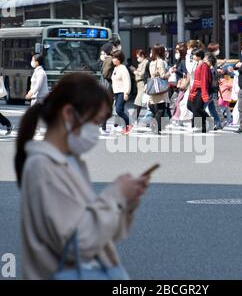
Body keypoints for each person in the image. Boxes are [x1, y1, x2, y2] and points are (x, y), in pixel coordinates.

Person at [15, 72, 150, 280]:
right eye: (95, 122)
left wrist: (126, 201)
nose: (96, 131)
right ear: (69, 114)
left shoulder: (72, 161)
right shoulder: (43, 166)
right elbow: (78, 243)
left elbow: (100, 235)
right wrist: (115, 195)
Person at [148, 44, 171, 135]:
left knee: (155, 107)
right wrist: (170, 72)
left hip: (153, 86)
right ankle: (156, 127)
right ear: (161, 52)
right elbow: (163, 75)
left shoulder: (152, 62)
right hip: (160, 87)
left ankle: (157, 126)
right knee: (161, 109)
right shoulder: (161, 61)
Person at [189, 50, 212, 133]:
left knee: (198, 108)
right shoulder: (197, 64)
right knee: (190, 105)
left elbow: (204, 79)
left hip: (201, 89)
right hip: (196, 88)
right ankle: (206, 123)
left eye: (194, 55)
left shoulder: (204, 65)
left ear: (199, 56)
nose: (193, 56)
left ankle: (206, 123)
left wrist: (204, 92)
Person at [111, 50, 132, 135]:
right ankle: (125, 127)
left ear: (119, 58)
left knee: (118, 110)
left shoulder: (123, 68)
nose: (113, 59)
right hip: (116, 92)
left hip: (122, 92)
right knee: (120, 110)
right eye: (113, 57)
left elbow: (127, 81)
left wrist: (126, 93)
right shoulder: (116, 68)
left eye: (115, 58)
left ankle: (129, 125)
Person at [100, 43, 115, 133]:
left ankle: (103, 125)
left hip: (104, 83)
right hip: (108, 83)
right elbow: (105, 73)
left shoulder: (106, 59)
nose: (114, 49)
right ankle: (103, 126)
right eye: (112, 48)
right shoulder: (110, 59)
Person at [132, 49, 149, 123]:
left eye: (138, 57)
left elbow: (142, 73)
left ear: (142, 56)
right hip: (139, 84)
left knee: (138, 101)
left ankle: (134, 117)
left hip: (142, 83)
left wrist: (134, 71)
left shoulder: (145, 62)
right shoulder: (142, 62)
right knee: (139, 101)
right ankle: (135, 117)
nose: (137, 59)